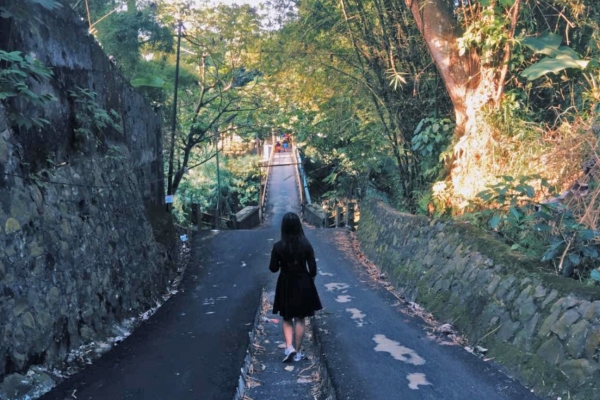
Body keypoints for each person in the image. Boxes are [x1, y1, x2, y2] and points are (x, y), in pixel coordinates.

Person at [269, 212, 322, 362]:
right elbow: (313, 270)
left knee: (287, 317)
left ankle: (289, 347)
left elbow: (273, 268)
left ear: (283, 227)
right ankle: (297, 352)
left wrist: (280, 261)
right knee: (300, 318)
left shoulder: (278, 246)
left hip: (285, 283)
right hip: (303, 282)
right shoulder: (306, 245)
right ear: (299, 226)